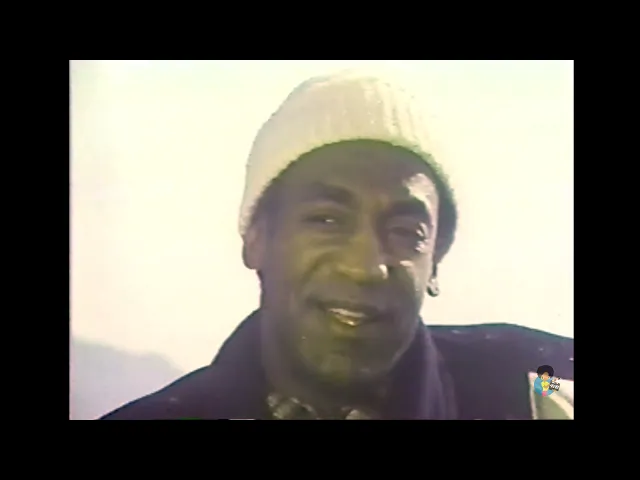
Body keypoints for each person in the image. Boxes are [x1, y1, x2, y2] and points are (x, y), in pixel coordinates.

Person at [100, 69, 574, 420]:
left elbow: (556, 380)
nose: (365, 266)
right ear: (256, 240)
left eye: (405, 232)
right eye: (326, 219)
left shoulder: (532, 379)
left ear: (436, 260)